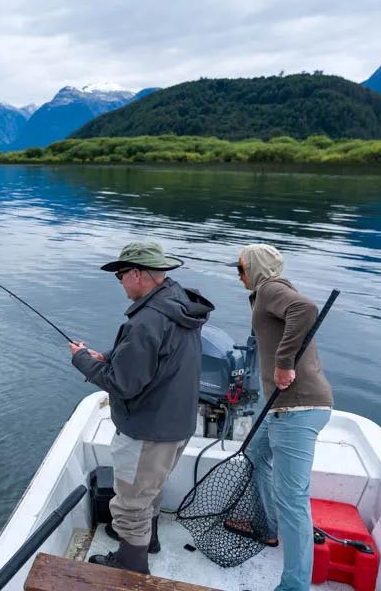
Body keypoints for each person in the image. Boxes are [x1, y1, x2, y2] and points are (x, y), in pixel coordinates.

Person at [70, 241, 214, 574]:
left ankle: (131, 566)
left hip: (148, 429)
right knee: (150, 488)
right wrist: (109, 356)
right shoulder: (178, 303)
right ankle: (147, 541)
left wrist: (82, 360)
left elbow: (123, 384)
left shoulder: (146, 320)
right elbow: (156, 354)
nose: (120, 282)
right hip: (177, 424)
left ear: (137, 274)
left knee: (130, 503)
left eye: (120, 275)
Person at [230, 243, 333, 591]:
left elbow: (306, 309)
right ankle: (267, 527)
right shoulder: (265, 293)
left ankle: (294, 586)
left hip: (297, 408)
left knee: (293, 500)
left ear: (256, 268)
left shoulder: (271, 288)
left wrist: (284, 363)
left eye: (242, 269)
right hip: (281, 406)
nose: (239, 276)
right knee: (255, 453)